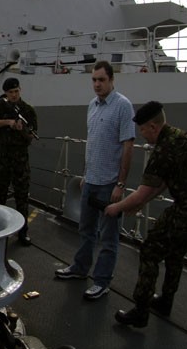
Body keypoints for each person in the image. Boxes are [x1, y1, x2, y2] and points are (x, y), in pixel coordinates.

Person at [106, 101, 187, 327]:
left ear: (153, 127)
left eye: (143, 130)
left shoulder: (164, 149)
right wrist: (138, 205)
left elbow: (142, 191)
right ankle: (166, 301)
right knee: (175, 252)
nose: (142, 136)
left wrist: (116, 207)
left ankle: (140, 310)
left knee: (149, 250)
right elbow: (164, 181)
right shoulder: (179, 136)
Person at [55, 60, 135, 300]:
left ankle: (102, 281)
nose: (97, 84)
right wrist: (86, 174)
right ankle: (80, 268)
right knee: (86, 229)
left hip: (110, 183)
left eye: (101, 79)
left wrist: (121, 184)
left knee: (109, 237)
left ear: (111, 80)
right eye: (94, 80)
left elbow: (128, 146)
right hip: (91, 181)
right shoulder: (92, 105)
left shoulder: (123, 106)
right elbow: (93, 143)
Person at [0, 77, 38, 245]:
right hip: (2, 157)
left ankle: (23, 233)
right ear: (6, 93)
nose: (14, 95)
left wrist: (22, 130)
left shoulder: (28, 110)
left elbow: (31, 137)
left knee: (22, 196)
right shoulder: (1, 106)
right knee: (0, 195)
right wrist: (8, 122)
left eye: (16, 91)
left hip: (20, 159)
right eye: (11, 92)